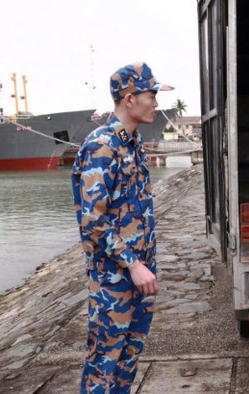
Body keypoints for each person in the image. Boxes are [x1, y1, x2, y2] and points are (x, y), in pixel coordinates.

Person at [72, 62, 173, 393]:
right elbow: (93, 220)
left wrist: (144, 266)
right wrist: (133, 263)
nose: (156, 104)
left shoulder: (133, 142)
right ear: (129, 98)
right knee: (105, 362)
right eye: (151, 95)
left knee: (129, 357)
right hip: (114, 278)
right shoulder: (101, 146)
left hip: (140, 273)